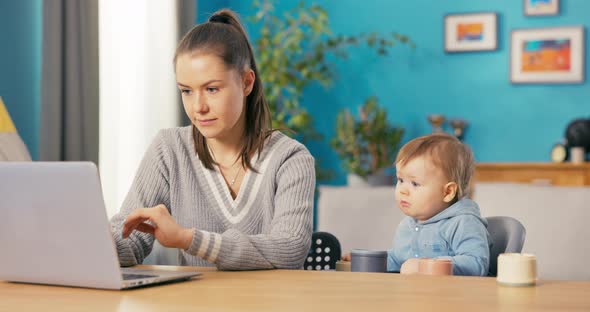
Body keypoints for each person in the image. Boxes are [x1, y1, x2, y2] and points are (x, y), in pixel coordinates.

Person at [110, 9, 315, 270]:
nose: (198, 107)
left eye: (212, 89)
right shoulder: (169, 149)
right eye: (186, 91)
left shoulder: (291, 159)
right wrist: (93, 240)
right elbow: (130, 243)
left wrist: (189, 239)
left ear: (247, 82)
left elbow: (290, 249)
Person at [342, 133, 490, 276]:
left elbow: (476, 263)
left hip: (451, 299)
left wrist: (425, 267)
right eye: (400, 180)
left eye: (415, 183)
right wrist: (366, 261)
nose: (403, 190)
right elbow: (397, 260)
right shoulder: (408, 224)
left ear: (448, 192)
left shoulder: (463, 222)